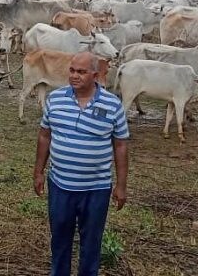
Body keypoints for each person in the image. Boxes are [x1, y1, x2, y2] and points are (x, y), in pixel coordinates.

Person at [33, 51, 129, 276]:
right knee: (60, 240)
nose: (75, 76)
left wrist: (121, 185)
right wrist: (38, 171)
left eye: (81, 72)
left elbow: (121, 145)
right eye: (72, 71)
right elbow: (44, 135)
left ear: (95, 75)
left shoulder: (113, 105)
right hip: (60, 185)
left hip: (96, 188)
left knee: (91, 243)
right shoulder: (55, 99)